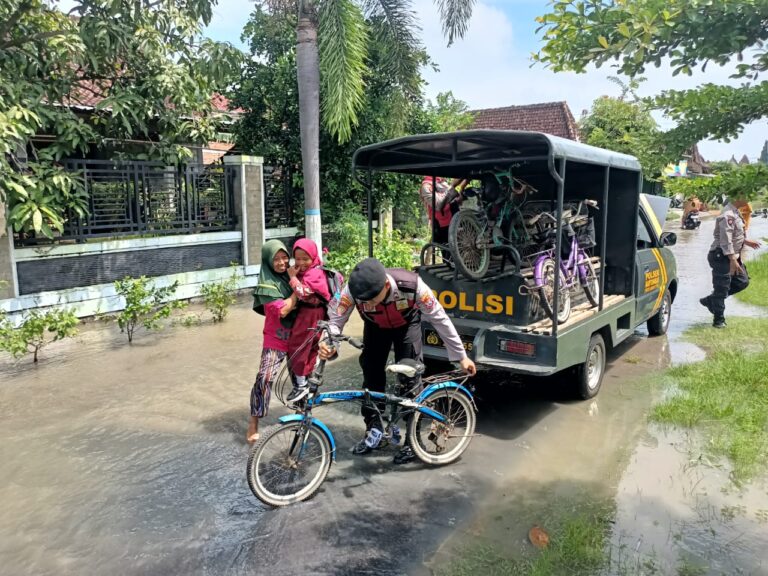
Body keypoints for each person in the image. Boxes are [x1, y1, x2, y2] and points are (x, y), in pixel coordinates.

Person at [318, 258, 477, 464]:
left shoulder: (413, 286)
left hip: (407, 326)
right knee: (371, 374)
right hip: (375, 328)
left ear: (385, 286)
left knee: (410, 380)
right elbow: (336, 321)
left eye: (371, 299)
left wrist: (461, 357)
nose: (366, 304)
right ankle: (373, 430)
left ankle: (412, 442)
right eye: (362, 301)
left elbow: (440, 318)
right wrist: (329, 344)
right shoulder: (353, 290)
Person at [247, 240, 297, 443]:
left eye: (284, 257)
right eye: (276, 259)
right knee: (264, 378)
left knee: (301, 380)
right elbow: (283, 310)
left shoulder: (294, 275)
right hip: (276, 336)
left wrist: (296, 281)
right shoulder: (266, 285)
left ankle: (302, 421)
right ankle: (253, 422)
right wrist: (298, 291)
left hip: (298, 336)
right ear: (268, 261)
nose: (282, 262)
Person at [700, 197, 761, 328]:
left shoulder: (736, 212)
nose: (748, 198)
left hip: (732, 254)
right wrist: (732, 259)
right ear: (738, 197)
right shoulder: (727, 215)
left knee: (742, 281)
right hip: (721, 255)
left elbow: (735, 234)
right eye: (746, 195)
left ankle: (712, 300)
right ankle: (719, 321)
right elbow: (725, 240)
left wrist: (746, 241)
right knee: (722, 287)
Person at [285, 238, 331, 403]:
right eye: (297, 259)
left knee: (297, 347)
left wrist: (292, 277)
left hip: (311, 316)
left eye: (306, 259)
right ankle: (305, 384)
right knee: (308, 348)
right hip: (312, 315)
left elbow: (303, 293)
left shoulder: (315, 273)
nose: (301, 262)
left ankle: (301, 385)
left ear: (314, 257)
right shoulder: (310, 271)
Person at [419, 177, 467, 257]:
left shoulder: (441, 183)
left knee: (462, 251)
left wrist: (462, 187)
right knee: (449, 254)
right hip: (443, 226)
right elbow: (438, 205)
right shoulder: (426, 186)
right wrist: (453, 186)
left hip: (455, 220)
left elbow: (452, 199)